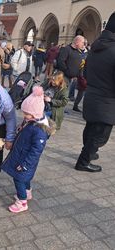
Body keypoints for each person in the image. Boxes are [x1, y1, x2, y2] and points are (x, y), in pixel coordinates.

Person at [1, 86, 55, 213]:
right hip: (22, 156)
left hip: (25, 161)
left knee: (18, 179)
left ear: (36, 113)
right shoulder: (32, 122)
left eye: (27, 113)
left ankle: (22, 201)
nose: (24, 115)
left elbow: (36, 151)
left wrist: (25, 165)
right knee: (25, 179)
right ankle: (27, 192)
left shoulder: (39, 131)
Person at [74, 13, 115, 173]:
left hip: (92, 95)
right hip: (107, 101)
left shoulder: (97, 45)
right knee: (100, 135)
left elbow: (86, 71)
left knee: (91, 128)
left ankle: (89, 152)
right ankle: (83, 162)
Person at [57, 35, 84, 100]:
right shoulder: (67, 49)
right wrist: (67, 71)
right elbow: (61, 61)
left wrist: (77, 74)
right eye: (82, 42)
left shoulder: (78, 51)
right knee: (59, 94)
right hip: (64, 77)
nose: (83, 44)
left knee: (64, 95)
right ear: (77, 42)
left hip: (71, 78)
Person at [73, 40, 88, 112]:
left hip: (85, 73)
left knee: (82, 91)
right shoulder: (77, 52)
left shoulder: (87, 53)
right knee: (81, 91)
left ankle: (76, 105)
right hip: (80, 73)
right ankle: (75, 105)